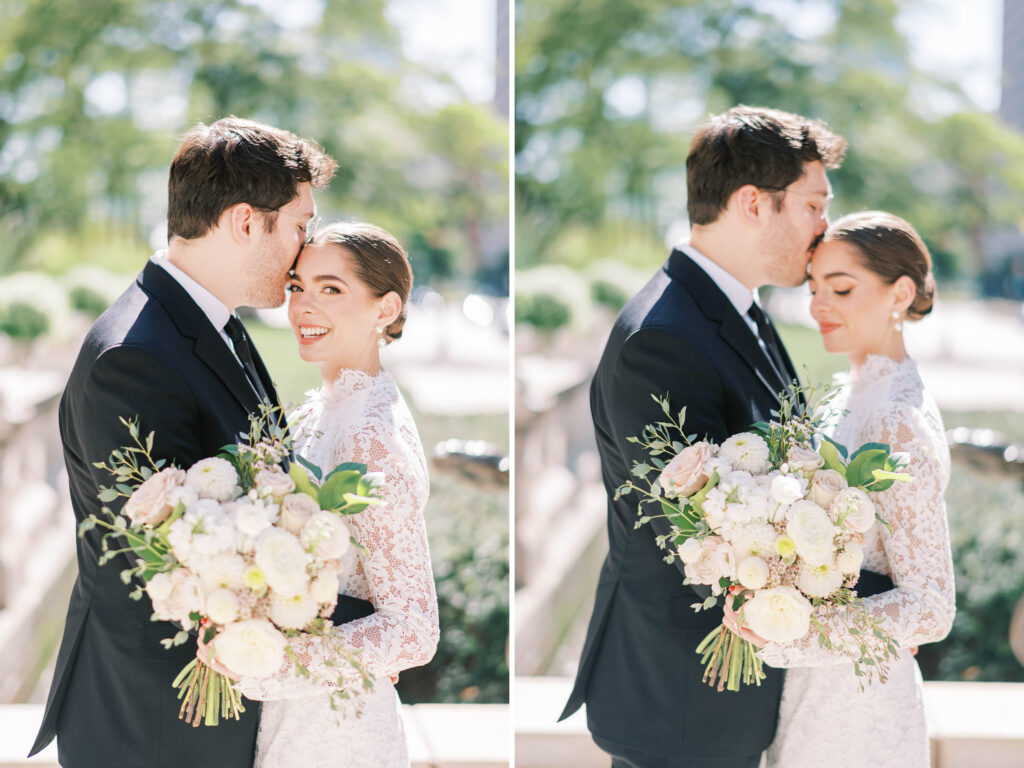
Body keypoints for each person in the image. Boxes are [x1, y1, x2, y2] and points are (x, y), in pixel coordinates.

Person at [29, 117, 335, 767]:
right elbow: (182, 563)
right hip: (157, 723)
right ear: (247, 222)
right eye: (300, 227)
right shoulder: (132, 358)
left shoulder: (209, 321)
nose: (306, 250)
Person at [560, 105, 848, 768]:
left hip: (731, 692)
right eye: (811, 204)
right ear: (753, 203)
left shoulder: (740, 308)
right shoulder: (662, 338)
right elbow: (700, 535)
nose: (822, 225)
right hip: (685, 701)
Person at [233, 221, 440, 768]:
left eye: (331, 289)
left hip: (337, 729)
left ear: (385, 309)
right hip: (297, 709)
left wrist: (266, 667)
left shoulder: (369, 434)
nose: (303, 306)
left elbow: (413, 628)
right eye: (298, 286)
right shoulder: (320, 413)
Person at [754, 211, 955, 768]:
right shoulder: (850, 395)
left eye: (841, 288)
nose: (819, 305)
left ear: (901, 293)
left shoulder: (896, 419)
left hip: (860, 703)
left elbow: (931, 606)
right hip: (812, 688)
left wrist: (793, 637)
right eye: (814, 288)